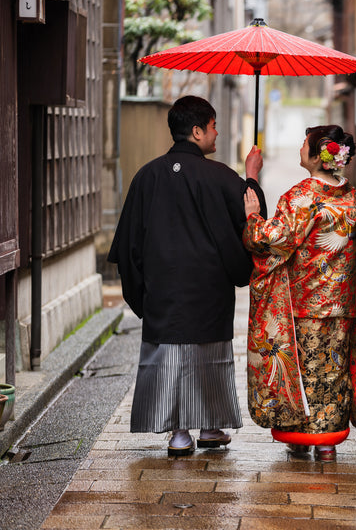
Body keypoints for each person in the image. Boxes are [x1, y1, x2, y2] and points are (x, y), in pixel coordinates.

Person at [108, 95, 267, 456]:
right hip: (209, 291)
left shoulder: (146, 176)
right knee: (208, 358)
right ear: (197, 131)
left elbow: (129, 245)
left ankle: (179, 434)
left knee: (170, 357)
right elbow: (253, 220)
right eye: (213, 126)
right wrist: (252, 174)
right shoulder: (221, 177)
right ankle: (210, 427)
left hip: (162, 290)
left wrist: (143, 293)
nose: (217, 133)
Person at [242, 125, 356, 462]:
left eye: (305, 144)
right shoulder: (355, 199)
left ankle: (302, 439)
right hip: (343, 306)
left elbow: (270, 240)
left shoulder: (302, 198)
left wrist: (252, 217)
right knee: (332, 373)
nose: (301, 148)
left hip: (303, 306)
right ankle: (328, 445)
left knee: (303, 373)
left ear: (319, 156)